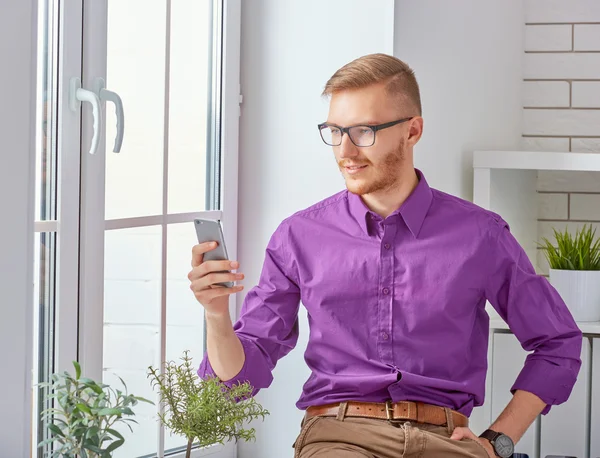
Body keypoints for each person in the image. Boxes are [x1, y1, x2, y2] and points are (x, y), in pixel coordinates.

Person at [188, 54, 583, 458]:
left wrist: (498, 440)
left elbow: (558, 343)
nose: (345, 151)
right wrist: (216, 314)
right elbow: (237, 381)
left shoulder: (480, 235)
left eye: (364, 131)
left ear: (412, 131)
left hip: (447, 440)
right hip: (339, 437)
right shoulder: (298, 237)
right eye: (335, 130)